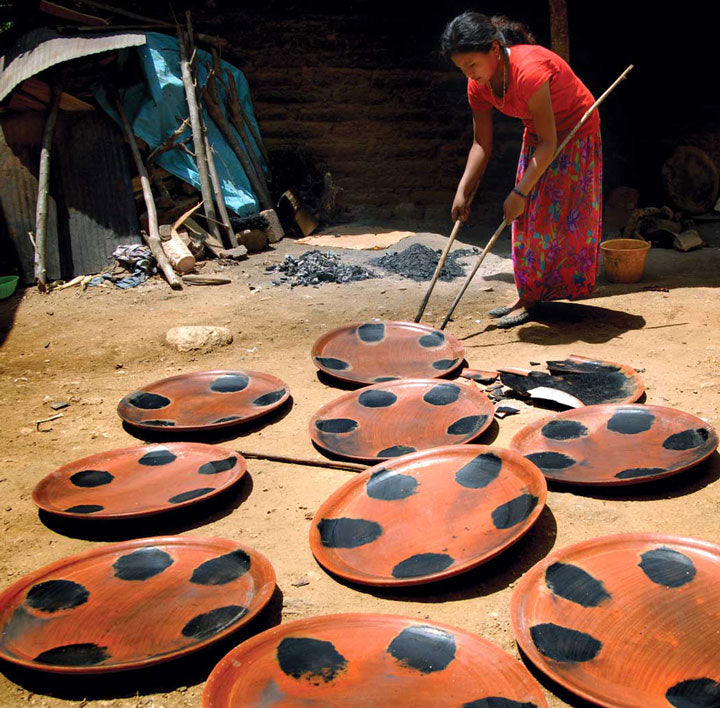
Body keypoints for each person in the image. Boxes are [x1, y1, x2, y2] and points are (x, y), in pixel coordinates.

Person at [441, 12, 602, 328]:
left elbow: (550, 141)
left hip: (573, 131)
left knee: (546, 212)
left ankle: (539, 297)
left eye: (473, 65)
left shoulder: (528, 72)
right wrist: (463, 191)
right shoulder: (479, 85)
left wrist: (518, 191)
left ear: (494, 49)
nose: (470, 75)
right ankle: (528, 295)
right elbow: (481, 145)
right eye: (462, 69)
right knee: (525, 217)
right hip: (540, 134)